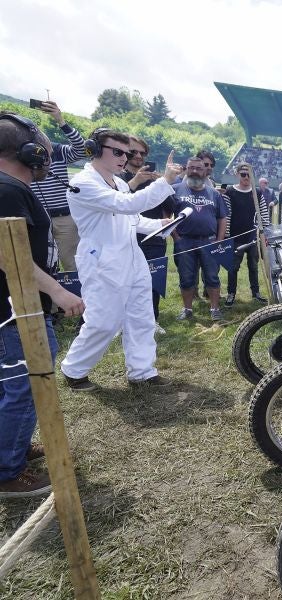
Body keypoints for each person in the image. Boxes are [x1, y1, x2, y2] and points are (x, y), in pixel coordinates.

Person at [0, 113, 84, 497]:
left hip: (22, 308)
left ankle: (11, 446)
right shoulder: (8, 191)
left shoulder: (14, 188)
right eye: (44, 148)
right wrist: (60, 292)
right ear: (28, 151)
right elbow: (11, 257)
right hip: (16, 312)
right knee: (25, 386)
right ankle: (6, 470)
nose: (48, 155)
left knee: (22, 384)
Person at [59, 129, 181, 391]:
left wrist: (161, 224)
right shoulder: (83, 183)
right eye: (118, 152)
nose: (124, 158)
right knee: (103, 321)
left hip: (131, 256)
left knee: (141, 316)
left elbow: (132, 219)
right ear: (93, 149)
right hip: (102, 259)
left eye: (126, 153)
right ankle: (73, 369)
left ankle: (142, 371)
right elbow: (127, 206)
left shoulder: (120, 183)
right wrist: (165, 181)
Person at [121, 135, 174, 335]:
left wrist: (163, 183)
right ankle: (122, 321)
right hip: (126, 237)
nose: (138, 156)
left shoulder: (154, 180)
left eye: (143, 153)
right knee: (124, 281)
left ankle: (152, 319)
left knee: (152, 280)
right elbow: (120, 203)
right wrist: (136, 181)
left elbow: (170, 206)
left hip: (153, 237)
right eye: (133, 152)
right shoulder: (116, 178)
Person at [28, 100, 86, 272]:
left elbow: (82, 150)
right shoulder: (22, 157)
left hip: (64, 218)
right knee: (42, 266)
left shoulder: (58, 150)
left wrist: (60, 121)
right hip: (37, 219)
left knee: (73, 266)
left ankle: (78, 298)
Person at [170, 157, 229, 322]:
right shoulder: (175, 190)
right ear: (186, 169)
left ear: (205, 172)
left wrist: (219, 240)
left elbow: (222, 218)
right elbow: (166, 216)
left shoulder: (214, 194)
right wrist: (176, 238)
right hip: (185, 241)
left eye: (199, 168)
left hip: (209, 241)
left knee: (212, 276)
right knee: (186, 277)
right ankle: (187, 309)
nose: (195, 171)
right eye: (191, 168)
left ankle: (215, 308)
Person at [224, 163, 270, 307]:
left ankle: (255, 293)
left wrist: (265, 234)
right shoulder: (230, 192)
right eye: (243, 174)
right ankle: (231, 293)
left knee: (254, 266)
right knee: (233, 267)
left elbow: (263, 214)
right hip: (235, 236)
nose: (246, 177)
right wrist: (227, 236)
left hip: (253, 237)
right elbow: (227, 214)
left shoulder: (257, 193)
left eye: (249, 174)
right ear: (237, 175)